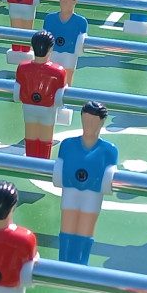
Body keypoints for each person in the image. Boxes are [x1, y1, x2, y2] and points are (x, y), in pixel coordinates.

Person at [53, 101, 118, 265]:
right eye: (86, 120)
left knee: (85, 228)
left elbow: (109, 173)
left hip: (92, 193)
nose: (89, 125)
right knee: (67, 226)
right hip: (71, 190)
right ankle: (64, 262)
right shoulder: (67, 145)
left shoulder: (109, 150)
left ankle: (81, 264)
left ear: (102, 122)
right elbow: (60, 167)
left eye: (93, 121)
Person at [15, 31, 69, 160]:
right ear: (50, 49)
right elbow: (61, 94)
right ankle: (43, 163)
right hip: (48, 109)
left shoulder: (22, 67)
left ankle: (31, 161)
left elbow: (18, 87)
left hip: (28, 107)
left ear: (33, 47)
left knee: (30, 134)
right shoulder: (59, 71)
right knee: (45, 137)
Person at [41, 0, 89, 83]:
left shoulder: (81, 22)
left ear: (75, 1)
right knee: (50, 80)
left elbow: (81, 42)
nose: (64, 4)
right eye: (62, 1)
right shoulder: (49, 18)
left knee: (66, 81)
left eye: (67, 2)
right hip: (52, 53)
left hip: (70, 54)